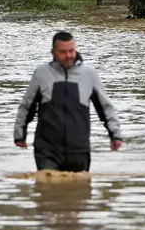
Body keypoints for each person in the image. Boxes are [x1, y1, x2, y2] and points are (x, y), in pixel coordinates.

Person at [14, 31, 123, 172]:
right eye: (63, 52)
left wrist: (115, 134)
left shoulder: (89, 74)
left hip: (79, 149)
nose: (68, 56)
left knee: (79, 191)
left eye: (71, 51)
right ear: (53, 52)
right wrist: (19, 134)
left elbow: (105, 107)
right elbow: (26, 106)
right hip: (47, 149)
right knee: (47, 189)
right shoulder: (41, 73)